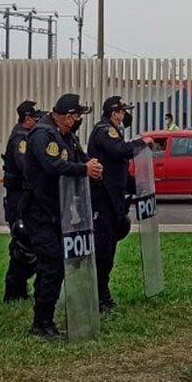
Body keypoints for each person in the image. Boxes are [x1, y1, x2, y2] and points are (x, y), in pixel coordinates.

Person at [23, 94, 102, 339]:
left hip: (60, 211)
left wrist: (90, 165)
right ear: (67, 116)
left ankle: (47, 318)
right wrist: (83, 169)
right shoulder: (42, 134)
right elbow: (52, 166)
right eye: (77, 116)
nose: (79, 120)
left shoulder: (66, 135)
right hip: (39, 212)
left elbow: (78, 158)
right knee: (51, 265)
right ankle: (41, 323)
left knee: (56, 266)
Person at [87, 96, 152, 312]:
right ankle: (98, 296)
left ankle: (102, 294)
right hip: (102, 201)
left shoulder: (114, 131)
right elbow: (121, 151)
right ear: (114, 113)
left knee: (109, 252)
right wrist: (143, 141)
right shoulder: (104, 130)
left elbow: (119, 171)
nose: (124, 116)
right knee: (103, 250)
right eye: (122, 112)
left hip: (114, 201)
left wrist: (141, 188)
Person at [2, 99, 41, 303]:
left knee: (30, 245)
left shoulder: (27, 136)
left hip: (25, 197)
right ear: (27, 119)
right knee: (22, 245)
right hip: (18, 198)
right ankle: (13, 291)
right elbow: (26, 167)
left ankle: (20, 289)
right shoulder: (21, 139)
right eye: (36, 118)